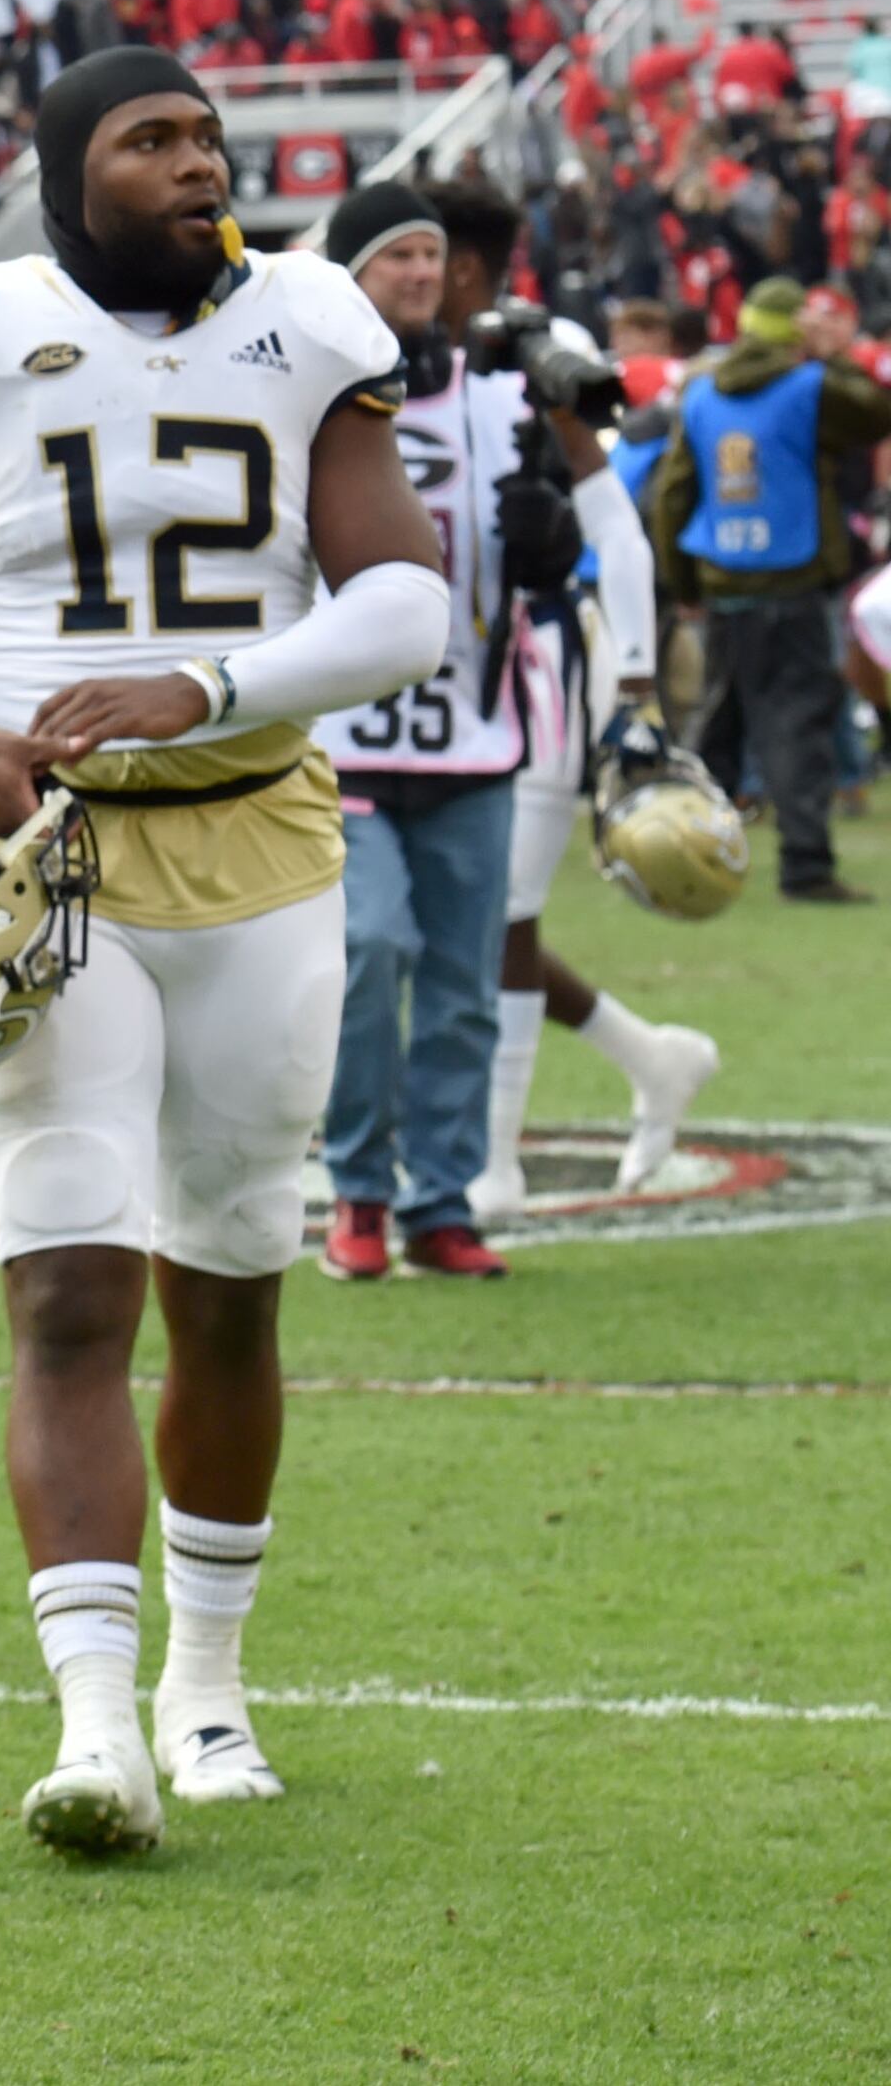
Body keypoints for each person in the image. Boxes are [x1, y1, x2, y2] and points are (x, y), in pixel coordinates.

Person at [0, 48, 447, 1850]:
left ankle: (210, 1683)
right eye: (150, 139)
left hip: (259, 837)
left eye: (206, 137)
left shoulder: (314, 320)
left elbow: (402, 598)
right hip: (50, 862)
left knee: (230, 1284)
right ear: (61, 172)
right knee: (70, 1286)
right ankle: (95, 1722)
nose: (196, 162)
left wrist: (209, 682)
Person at [304, 187, 602, 1284]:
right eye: (397, 256)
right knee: (371, 949)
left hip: (477, 734)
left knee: (468, 986)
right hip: (347, 739)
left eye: (433, 254)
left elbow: (553, 548)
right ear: (351, 272)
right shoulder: (310, 398)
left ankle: (442, 1199)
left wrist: (552, 541)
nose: (423, 273)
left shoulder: (505, 396)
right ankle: (359, 1191)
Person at [412, 186, 715, 1216]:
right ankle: (652, 1057)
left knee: (501, 912)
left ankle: (494, 1159)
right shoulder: (366, 354)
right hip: (409, 670)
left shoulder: (546, 357)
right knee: (436, 914)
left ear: (455, 266)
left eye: (414, 254)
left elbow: (614, 525)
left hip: (530, 660)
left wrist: (636, 689)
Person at [651, 275, 891, 903]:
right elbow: (877, 413)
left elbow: (675, 496)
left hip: (724, 583)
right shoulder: (811, 388)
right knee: (799, 725)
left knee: (715, 727)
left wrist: (684, 581)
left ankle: (677, 850)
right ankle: (806, 865)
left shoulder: (701, 394)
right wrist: (833, 356)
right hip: (795, 579)